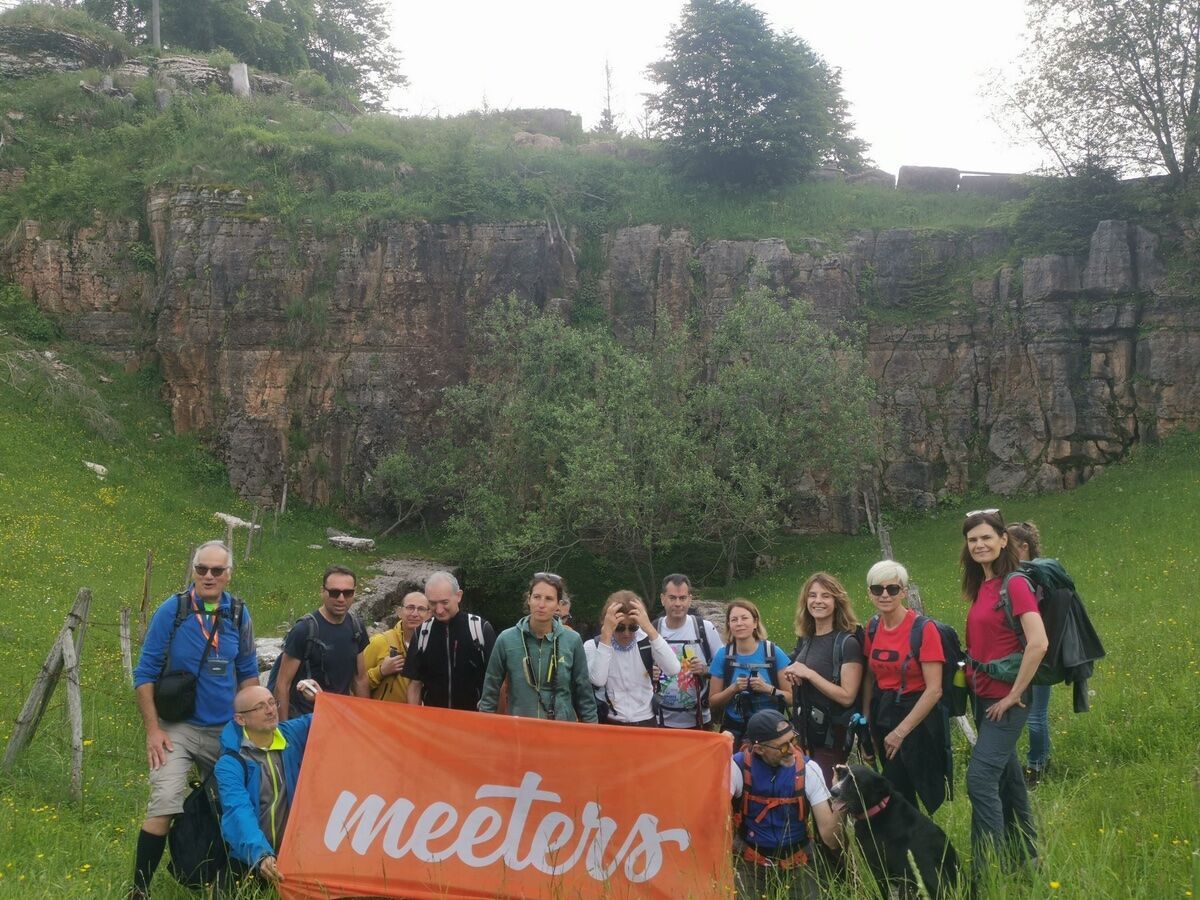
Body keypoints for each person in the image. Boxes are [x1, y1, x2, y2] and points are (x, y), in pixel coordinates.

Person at [128, 540, 259, 898]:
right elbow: (145, 674)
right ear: (194, 570)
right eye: (202, 569)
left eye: (217, 570)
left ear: (229, 574)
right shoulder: (174, 611)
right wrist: (153, 730)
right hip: (178, 729)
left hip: (226, 730)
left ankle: (222, 884)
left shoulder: (238, 614)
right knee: (165, 800)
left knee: (229, 804)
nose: (209, 576)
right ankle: (139, 889)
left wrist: (248, 722)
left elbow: (248, 672)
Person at [962, 508, 1046, 869]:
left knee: (980, 779)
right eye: (973, 539)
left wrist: (1014, 695)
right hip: (983, 698)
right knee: (1010, 783)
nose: (980, 544)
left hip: (1005, 701)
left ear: (1003, 539)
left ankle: (986, 873)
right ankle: (1027, 861)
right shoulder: (983, 586)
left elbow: (1038, 642)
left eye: (986, 537)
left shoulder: (1014, 583)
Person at [860, 559, 948, 814]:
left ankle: (925, 847)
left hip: (916, 718)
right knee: (894, 790)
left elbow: (934, 690)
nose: (885, 595)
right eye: (878, 589)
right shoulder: (873, 627)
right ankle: (906, 846)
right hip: (883, 713)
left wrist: (901, 732)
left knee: (910, 789)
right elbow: (869, 675)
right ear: (869, 593)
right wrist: (866, 720)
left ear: (904, 592)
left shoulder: (923, 629)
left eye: (892, 589)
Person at [729, 709, 843, 900]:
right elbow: (711, 811)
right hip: (750, 861)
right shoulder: (736, 768)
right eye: (782, 747)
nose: (792, 750)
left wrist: (842, 800)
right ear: (759, 749)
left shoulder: (810, 769)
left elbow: (830, 839)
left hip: (799, 861)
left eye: (793, 740)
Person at [214, 685, 311, 886]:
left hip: (296, 855)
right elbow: (238, 811)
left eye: (271, 702)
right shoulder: (230, 763)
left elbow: (330, 717)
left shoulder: (290, 735)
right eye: (259, 707)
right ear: (241, 719)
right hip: (251, 857)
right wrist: (261, 854)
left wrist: (319, 698)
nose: (270, 710)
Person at [479, 573, 597, 722]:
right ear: (529, 599)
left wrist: (592, 730)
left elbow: (584, 693)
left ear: (558, 605)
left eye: (549, 599)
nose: (541, 604)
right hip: (520, 730)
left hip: (560, 732)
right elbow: (490, 690)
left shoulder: (572, 640)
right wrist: (484, 728)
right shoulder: (506, 639)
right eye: (536, 597)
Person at [783, 572, 864, 785]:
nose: (818, 601)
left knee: (828, 800)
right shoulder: (806, 639)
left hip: (831, 739)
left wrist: (809, 674)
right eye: (812, 595)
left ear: (837, 602)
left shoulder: (847, 643)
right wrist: (795, 675)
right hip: (804, 734)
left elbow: (847, 696)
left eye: (826, 596)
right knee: (805, 799)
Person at [273, 566, 369, 719]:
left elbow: (360, 678)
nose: (341, 599)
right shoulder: (303, 630)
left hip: (339, 716)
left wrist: (365, 719)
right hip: (305, 719)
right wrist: (284, 730)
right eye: (334, 592)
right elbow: (282, 684)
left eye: (348, 593)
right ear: (323, 592)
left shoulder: (356, 627)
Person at [585, 590, 680, 726]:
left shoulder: (646, 641)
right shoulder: (594, 645)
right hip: (611, 721)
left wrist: (648, 628)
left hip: (646, 721)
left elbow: (673, 669)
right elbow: (598, 680)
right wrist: (606, 636)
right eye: (620, 627)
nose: (627, 633)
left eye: (633, 627)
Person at [403, 571, 496, 709]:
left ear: (458, 596)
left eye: (444, 602)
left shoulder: (480, 629)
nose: (439, 610)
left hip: (474, 720)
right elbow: (415, 684)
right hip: (433, 721)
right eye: (433, 603)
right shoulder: (422, 633)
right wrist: (415, 719)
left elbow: (497, 682)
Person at [710, 600, 792, 747]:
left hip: (771, 729)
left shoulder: (773, 653)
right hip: (735, 728)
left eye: (744, 618)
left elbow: (792, 699)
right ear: (729, 625)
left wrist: (767, 689)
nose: (739, 623)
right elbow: (713, 701)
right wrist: (733, 689)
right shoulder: (723, 655)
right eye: (734, 620)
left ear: (755, 623)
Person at [1007, 520, 1052, 786]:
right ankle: (1042, 760)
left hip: (1036, 654)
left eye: (1010, 547)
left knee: (1035, 716)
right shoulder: (1023, 576)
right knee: (1037, 714)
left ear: (1024, 547)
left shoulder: (1031, 578)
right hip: (1024, 655)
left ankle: (1036, 767)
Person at [653, 574, 723, 730]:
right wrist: (649, 674)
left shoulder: (704, 628)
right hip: (660, 720)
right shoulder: (653, 630)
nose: (678, 604)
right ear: (662, 599)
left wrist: (704, 670)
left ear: (690, 599)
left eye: (682, 598)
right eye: (672, 598)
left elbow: (722, 669)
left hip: (699, 720)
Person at [363, 591, 431, 702]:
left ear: (429, 615)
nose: (414, 614)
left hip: (420, 716)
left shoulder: (433, 646)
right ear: (399, 612)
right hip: (383, 716)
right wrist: (380, 672)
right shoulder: (380, 642)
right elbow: (356, 683)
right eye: (410, 607)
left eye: (421, 609)